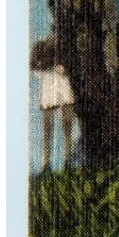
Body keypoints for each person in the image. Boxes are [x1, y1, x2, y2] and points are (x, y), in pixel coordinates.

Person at [30, 36, 77, 172]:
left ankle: (68, 162)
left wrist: (66, 68)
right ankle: (46, 164)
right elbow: (33, 65)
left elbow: (74, 63)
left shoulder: (67, 44)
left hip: (64, 86)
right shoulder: (41, 45)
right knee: (47, 129)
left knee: (67, 127)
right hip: (49, 88)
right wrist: (50, 67)